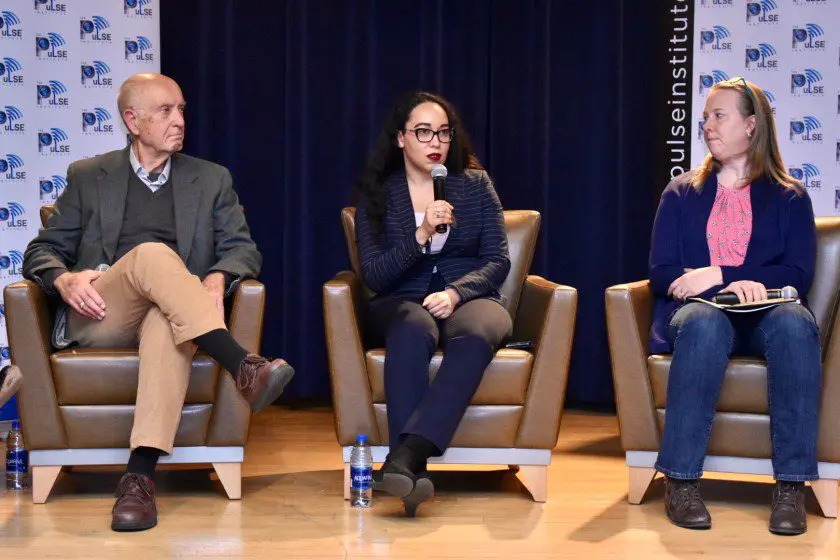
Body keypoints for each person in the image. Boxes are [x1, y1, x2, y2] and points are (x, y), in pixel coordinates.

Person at [22, 73, 295, 532]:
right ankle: (242, 365)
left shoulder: (211, 179)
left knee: (166, 322)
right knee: (152, 254)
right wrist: (64, 279)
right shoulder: (89, 176)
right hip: (101, 313)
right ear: (133, 120)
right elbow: (39, 251)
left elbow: (243, 249)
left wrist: (217, 275)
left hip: (172, 313)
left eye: (182, 109)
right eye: (166, 110)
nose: (179, 120)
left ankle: (139, 478)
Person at [649, 77, 820, 535]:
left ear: (750, 125)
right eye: (705, 117)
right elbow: (663, 274)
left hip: (767, 314)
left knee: (795, 325)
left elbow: (799, 275)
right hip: (702, 313)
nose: (707, 125)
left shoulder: (790, 196)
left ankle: (791, 488)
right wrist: (709, 288)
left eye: (718, 116)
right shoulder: (681, 192)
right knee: (704, 324)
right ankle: (681, 482)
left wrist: (722, 273)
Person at [353, 91, 512, 516]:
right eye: (423, 132)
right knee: (411, 327)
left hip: (469, 294)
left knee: (479, 332)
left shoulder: (474, 184)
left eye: (442, 131)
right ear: (401, 138)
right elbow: (375, 275)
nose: (434, 141)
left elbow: (498, 258)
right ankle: (410, 473)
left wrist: (458, 293)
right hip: (402, 299)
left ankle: (407, 459)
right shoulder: (378, 194)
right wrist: (421, 233)